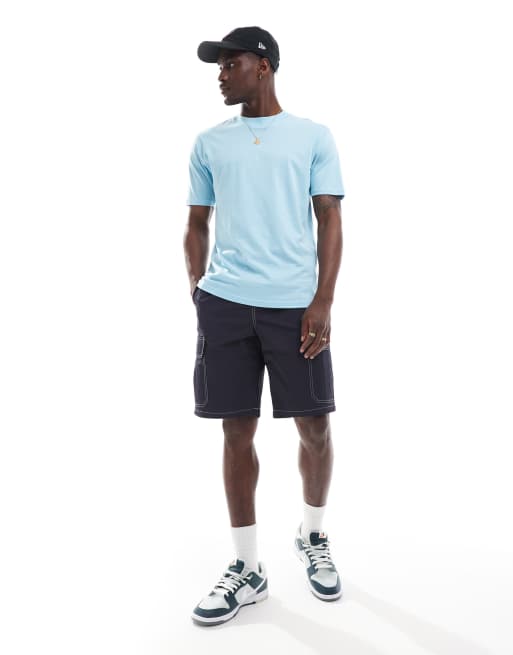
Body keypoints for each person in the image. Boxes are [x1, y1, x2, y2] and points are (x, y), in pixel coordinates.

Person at [183, 26, 345, 627]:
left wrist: (323, 299)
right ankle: (248, 569)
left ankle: (312, 534)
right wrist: (198, 290)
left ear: (265, 66)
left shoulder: (312, 136)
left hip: (295, 308)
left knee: (315, 428)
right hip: (226, 305)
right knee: (235, 432)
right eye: (218, 66)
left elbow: (329, 218)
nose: (221, 75)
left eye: (231, 64)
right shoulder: (209, 143)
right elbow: (196, 223)